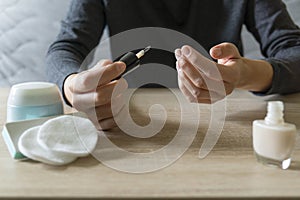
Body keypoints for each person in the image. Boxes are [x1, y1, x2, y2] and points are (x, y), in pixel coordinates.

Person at [46, 0, 300, 130]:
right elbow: (66, 48)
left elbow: (294, 50)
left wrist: (245, 73)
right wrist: (73, 88)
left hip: (230, 125)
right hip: (129, 126)